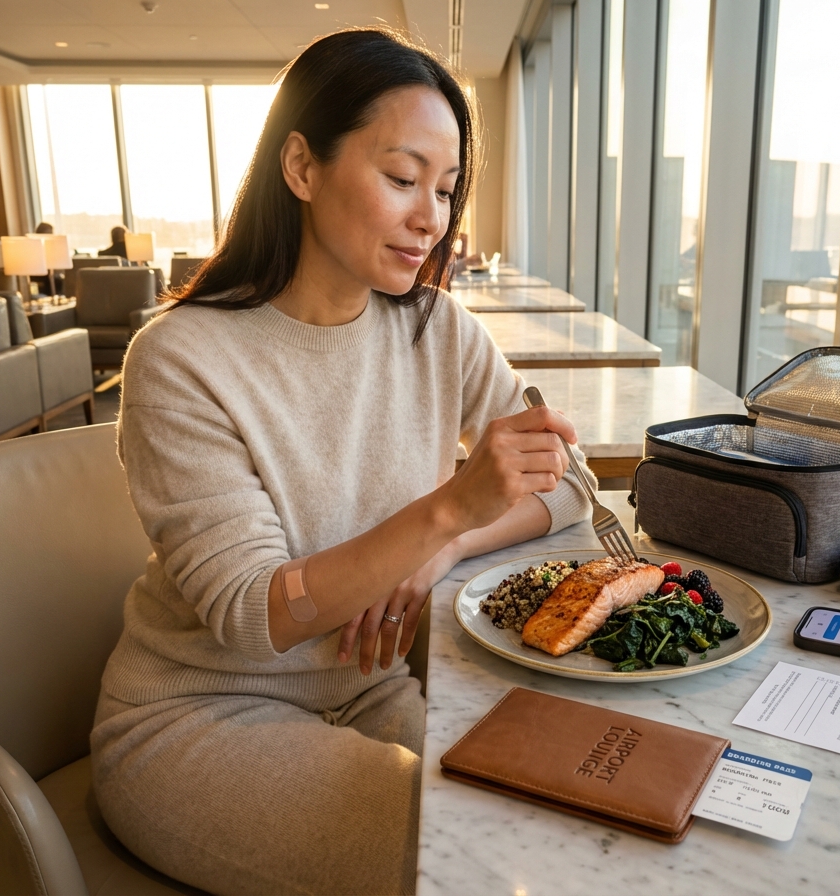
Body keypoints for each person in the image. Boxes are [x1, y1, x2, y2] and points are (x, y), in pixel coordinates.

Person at [90, 28, 592, 896]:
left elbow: (572, 489)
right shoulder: (181, 357)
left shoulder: (438, 328)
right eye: (402, 179)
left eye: (444, 189)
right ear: (302, 167)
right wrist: (446, 509)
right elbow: (254, 615)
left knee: (548, 820)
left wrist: (443, 549)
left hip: (363, 686)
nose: (431, 216)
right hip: (199, 712)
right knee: (465, 857)